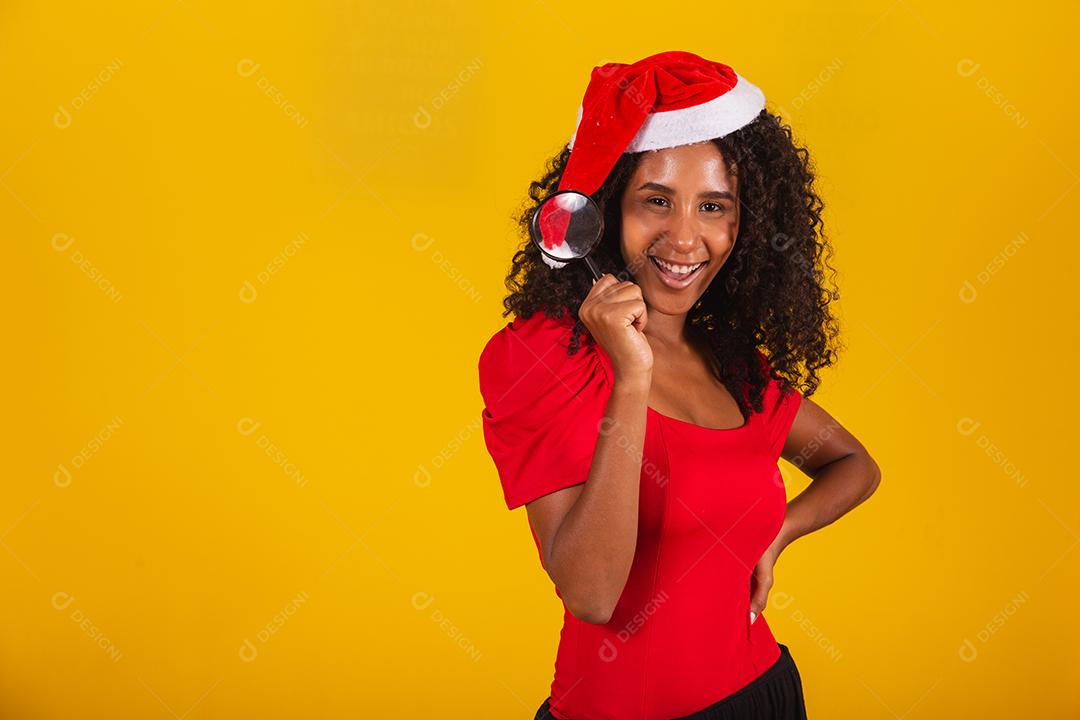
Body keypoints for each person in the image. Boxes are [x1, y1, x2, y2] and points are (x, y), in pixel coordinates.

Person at [477, 50, 881, 720]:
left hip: (765, 693)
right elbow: (592, 593)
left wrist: (776, 532)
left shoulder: (731, 364)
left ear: (744, 227)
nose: (686, 237)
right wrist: (631, 376)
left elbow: (854, 466)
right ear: (602, 211)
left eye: (714, 206)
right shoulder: (543, 356)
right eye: (656, 200)